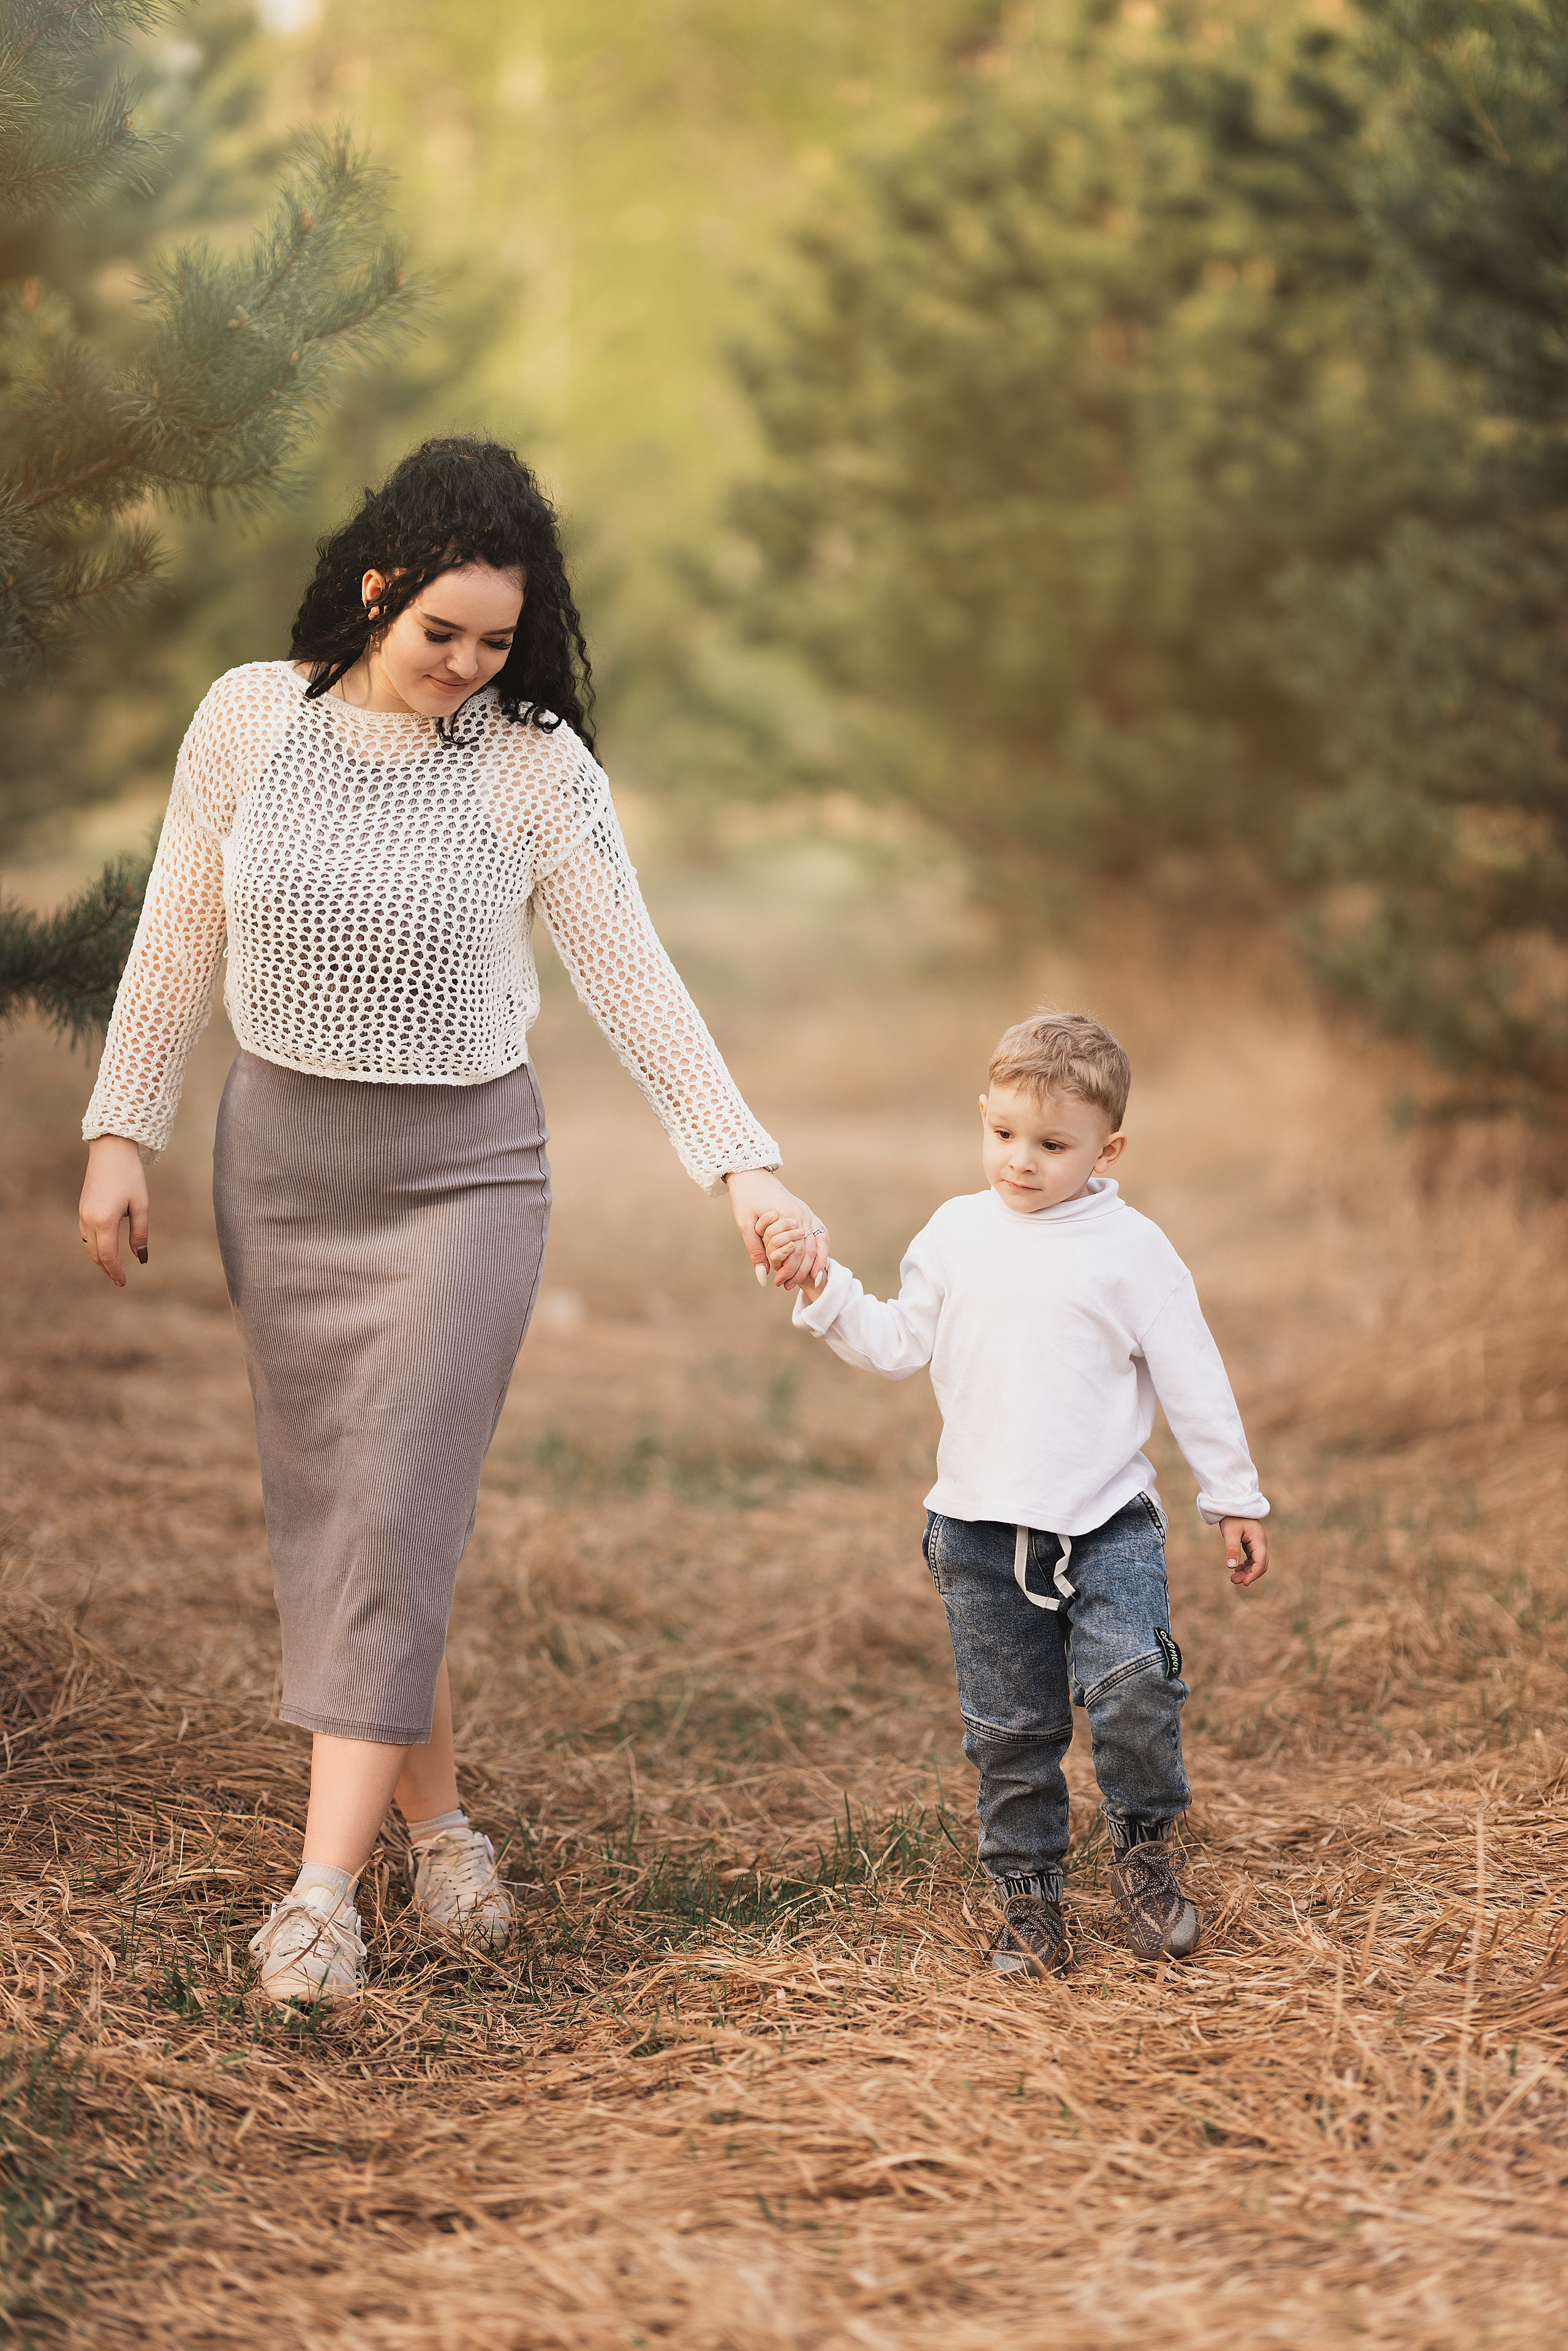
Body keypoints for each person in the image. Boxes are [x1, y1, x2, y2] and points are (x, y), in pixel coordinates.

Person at [78, 436, 829, 2009]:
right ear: (378, 588)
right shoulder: (245, 717)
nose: (469, 668)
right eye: (444, 635)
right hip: (281, 1169)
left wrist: (741, 1164)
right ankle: (445, 1831)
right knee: (348, 1518)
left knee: (401, 1496)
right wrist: (119, 1129)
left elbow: (631, 974)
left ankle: (321, 1897)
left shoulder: (531, 759)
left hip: (465, 1175)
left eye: (499, 641)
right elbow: (172, 934)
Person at [758, 1008, 1268, 1977]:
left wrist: (1232, 1495)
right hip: (979, 1532)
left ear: (1108, 1148)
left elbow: (1195, 1376)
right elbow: (899, 1339)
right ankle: (1030, 1902)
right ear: (982, 1117)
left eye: (1051, 1144)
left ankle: (1144, 1849)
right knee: (1011, 1732)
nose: (1021, 1161)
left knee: (1137, 1687)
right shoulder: (957, 1231)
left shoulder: (1133, 1249)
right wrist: (823, 1289)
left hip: (1107, 1522)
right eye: (1002, 1134)